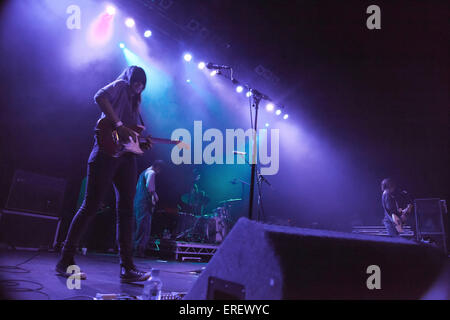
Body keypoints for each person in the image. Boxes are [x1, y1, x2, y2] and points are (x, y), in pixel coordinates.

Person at [56, 66, 153, 283]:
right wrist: (118, 125)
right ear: (130, 79)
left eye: (142, 85)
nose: (138, 88)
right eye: (136, 82)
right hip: (105, 153)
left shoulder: (136, 102)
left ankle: (127, 268)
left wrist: (140, 144)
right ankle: (65, 260)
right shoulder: (119, 86)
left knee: (127, 211)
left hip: (126, 158)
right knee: (90, 206)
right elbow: (99, 96)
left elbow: (130, 135)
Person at [134, 160, 164, 257]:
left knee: (138, 226)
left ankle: (135, 249)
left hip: (138, 202)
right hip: (145, 203)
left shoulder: (144, 172)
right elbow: (150, 188)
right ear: (158, 167)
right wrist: (155, 197)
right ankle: (139, 251)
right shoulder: (151, 173)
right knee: (144, 228)